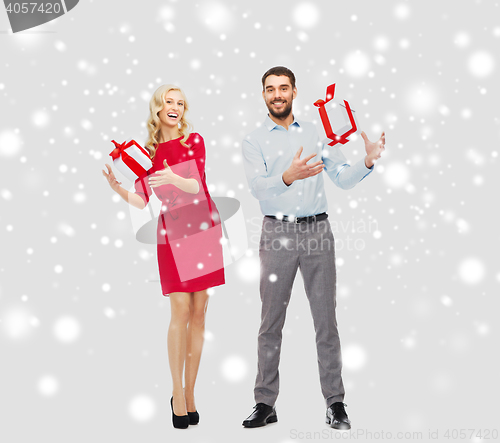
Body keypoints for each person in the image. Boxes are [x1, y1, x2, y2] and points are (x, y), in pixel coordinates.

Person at [241, 67, 385, 429]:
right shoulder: (253, 140)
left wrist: (366, 161)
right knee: (270, 322)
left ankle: (335, 403)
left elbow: (340, 178)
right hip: (277, 234)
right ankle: (265, 403)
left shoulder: (316, 132)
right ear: (263, 95)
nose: (277, 94)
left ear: (293, 92)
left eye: (283, 88)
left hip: (317, 231)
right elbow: (258, 187)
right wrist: (288, 175)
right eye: (270, 89)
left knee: (325, 321)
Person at [102, 84, 225, 429]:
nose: (175, 107)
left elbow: (197, 185)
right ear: (157, 108)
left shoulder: (194, 141)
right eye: (169, 102)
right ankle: (175, 392)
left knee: (200, 313)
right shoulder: (146, 154)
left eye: (181, 103)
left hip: (203, 226)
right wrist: (119, 188)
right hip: (173, 230)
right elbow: (143, 201)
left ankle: (190, 393)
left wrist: (173, 176)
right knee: (181, 310)